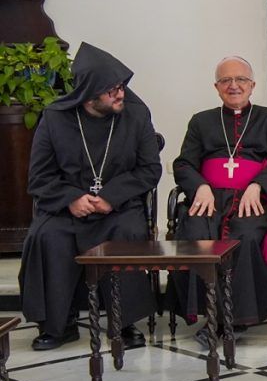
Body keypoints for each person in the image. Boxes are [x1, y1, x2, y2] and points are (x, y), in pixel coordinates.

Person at [19, 42, 161, 350]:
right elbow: (39, 176)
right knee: (47, 236)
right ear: (89, 93)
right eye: (111, 90)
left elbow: (150, 170)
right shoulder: (55, 118)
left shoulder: (136, 116)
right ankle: (59, 325)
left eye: (121, 87)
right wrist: (71, 198)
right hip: (66, 209)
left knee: (127, 232)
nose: (120, 94)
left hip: (119, 208)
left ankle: (123, 323)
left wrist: (111, 196)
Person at [169, 56, 267, 333]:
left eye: (240, 80)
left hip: (251, 200)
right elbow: (184, 163)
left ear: (252, 85)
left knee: (247, 237)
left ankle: (236, 317)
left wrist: (258, 185)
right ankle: (206, 310)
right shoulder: (201, 121)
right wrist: (200, 186)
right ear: (216, 87)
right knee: (197, 234)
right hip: (209, 199)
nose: (233, 85)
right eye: (226, 80)